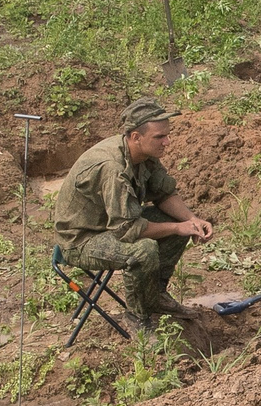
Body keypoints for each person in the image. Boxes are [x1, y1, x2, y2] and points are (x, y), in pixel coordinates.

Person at [51, 98, 215, 321]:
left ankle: (155, 295)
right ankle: (138, 316)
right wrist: (178, 227)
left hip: (111, 224)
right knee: (143, 249)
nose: (167, 142)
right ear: (136, 137)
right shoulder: (111, 167)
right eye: (160, 137)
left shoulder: (144, 154)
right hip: (82, 239)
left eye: (167, 135)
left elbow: (164, 194)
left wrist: (192, 220)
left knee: (178, 223)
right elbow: (127, 229)